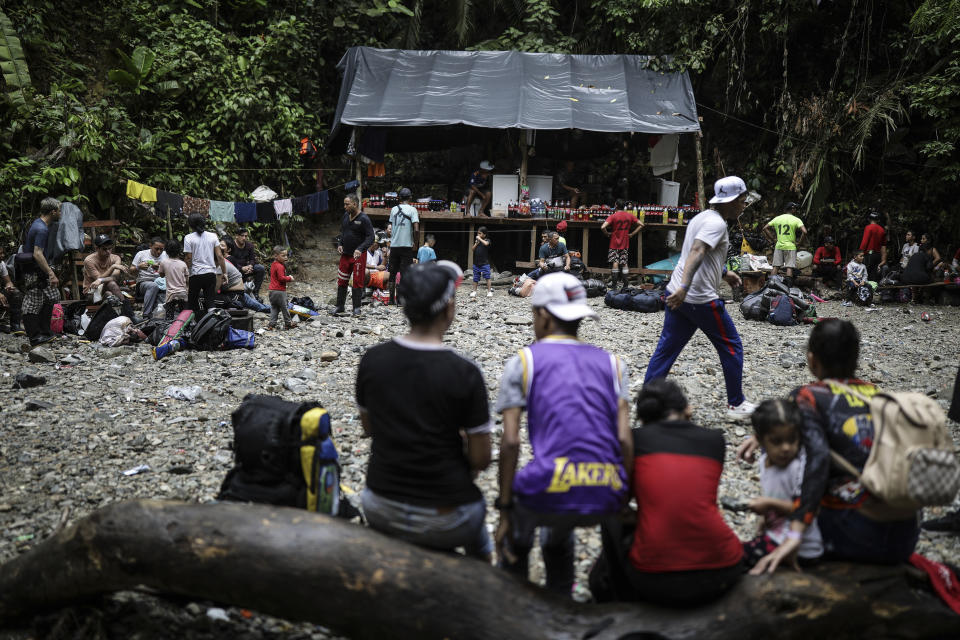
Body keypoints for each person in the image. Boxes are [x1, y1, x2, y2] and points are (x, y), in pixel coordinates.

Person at [737, 320, 920, 573]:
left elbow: (818, 459)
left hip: (856, 535)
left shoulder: (807, 397)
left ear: (812, 360)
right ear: (856, 358)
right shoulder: (878, 395)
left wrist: (796, 534)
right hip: (906, 534)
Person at [495, 273, 632, 596]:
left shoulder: (524, 361)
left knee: (521, 521)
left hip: (552, 486)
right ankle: (562, 595)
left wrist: (503, 508)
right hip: (607, 491)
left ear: (542, 315)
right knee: (558, 530)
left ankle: (514, 597)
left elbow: (511, 442)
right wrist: (623, 496)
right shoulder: (614, 365)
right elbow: (625, 440)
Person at [356, 260, 494, 560]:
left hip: (380, 504)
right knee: (481, 543)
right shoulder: (465, 372)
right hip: (447, 516)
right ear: (448, 309)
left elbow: (369, 428)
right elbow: (482, 459)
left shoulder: (372, 360)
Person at [616, 379, 743, 606]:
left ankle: (617, 593)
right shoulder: (714, 440)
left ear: (644, 418)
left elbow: (623, 499)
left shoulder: (635, 441)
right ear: (687, 409)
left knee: (611, 514)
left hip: (653, 576)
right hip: (722, 568)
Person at [643, 176, 756, 420]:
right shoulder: (717, 225)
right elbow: (697, 250)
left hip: (677, 293)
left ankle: (647, 399)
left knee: (667, 348)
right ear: (731, 200)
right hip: (698, 298)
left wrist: (724, 273)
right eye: (742, 201)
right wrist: (686, 286)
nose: (744, 206)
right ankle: (736, 404)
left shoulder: (702, 217)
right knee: (732, 345)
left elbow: (700, 254)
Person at [741, 399, 823, 570]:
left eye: (792, 440)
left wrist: (769, 504)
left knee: (738, 557)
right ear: (761, 441)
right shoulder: (764, 462)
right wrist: (764, 518)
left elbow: (808, 508)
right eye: (777, 441)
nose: (786, 448)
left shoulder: (797, 469)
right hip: (776, 535)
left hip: (803, 547)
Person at [17, 197, 62, 347]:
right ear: (53, 211)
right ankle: (35, 337)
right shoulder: (41, 229)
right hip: (35, 271)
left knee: (51, 297)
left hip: (38, 269)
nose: (61, 213)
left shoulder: (38, 224)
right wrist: (51, 273)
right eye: (59, 210)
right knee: (32, 302)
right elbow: (37, 253)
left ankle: (44, 331)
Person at [334, 193, 375, 316]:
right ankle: (340, 306)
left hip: (358, 255)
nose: (345, 207)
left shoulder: (364, 218)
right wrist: (340, 244)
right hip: (345, 255)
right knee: (342, 280)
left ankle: (356, 308)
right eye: (344, 204)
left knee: (357, 281)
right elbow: (343, 233)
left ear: (354, 204)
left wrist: (360, 248)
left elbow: (371, 237)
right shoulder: (345, 216)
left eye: (347, 204)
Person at [183, 213, 226, 317]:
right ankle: (213, 322)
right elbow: (220, 256)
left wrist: (185, 272)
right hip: (210, 273)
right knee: (210, 301)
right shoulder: (213, 236)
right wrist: (225, 273)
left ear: (191, 225)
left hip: (196, 274)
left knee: (192, 300)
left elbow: (189, 258)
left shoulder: (188, 238)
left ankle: (193, 324)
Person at [387, 188, 419, 305]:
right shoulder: (413, 210)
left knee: (392, 272)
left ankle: (391, 299)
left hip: (394, 245)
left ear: (399, 198)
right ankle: (400, 300)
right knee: (405, 273)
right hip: (406, 246)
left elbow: (390, 227)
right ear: (410, 197)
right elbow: (416, 229)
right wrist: (416, 243)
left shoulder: (394, 209)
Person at [219, 240, 269, 313]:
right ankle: (273, 307)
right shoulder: (224, 260)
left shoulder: (227, 261)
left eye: (222, 245)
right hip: (238, 286)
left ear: (228, 250)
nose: (220, 247)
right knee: (258, 305)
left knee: (257, 305)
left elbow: (252, 259)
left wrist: (249, 266)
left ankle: (272, 306)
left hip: (236, 291)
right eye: (219, 245)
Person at [600, 206, 643, 290]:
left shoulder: (613, 216)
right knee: (624, 262)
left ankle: (614, 285)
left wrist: (607, 233)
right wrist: (632, 234)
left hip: (614, 243)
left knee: (615, 262)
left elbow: (602, 227)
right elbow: (641, 224)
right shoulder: (629, 215)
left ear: (616, 205)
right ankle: (626, 285)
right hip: (625, 242)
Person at [763, 203, 807, 285]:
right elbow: (804, 231)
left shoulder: (777, 218)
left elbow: (765, 228)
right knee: (789, 267)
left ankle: (770, 285)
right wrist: (799, 243)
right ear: (793, 209)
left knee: (776, 267)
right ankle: (788, 287)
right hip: (790, 246)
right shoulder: (796, 219)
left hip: (779, 245)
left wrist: (773, 239)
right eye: (795, 209)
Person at [130, 237, 167, 319]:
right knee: (153, 286)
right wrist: (138, 267)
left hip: (162, 281)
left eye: (161, 249)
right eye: (156, 249)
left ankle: (165, 315)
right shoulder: (141, 254)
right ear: (150, 246)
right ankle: (146, 315)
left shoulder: (165, 255)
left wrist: (161, 268)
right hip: (144, 282)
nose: (159, 252)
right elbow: (131, 270)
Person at [82, 235, 127, 302]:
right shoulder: (89, 260)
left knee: (110, 290)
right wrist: (112, 267)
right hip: (92, 292)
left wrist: (101, 280)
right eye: (104, 249)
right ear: (97, 248)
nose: (108, 251)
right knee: (110, 291)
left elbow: (114, 277)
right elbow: (98, 278)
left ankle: (125, 307)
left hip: (109, 288)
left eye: (110, 248)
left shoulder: (115, 258)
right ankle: (125, 308)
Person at [229, 228, 266, 300]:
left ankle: (255, 292)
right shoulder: (231, 245)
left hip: (247, 268)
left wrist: (250, 266)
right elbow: (229, 260)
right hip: (235, 269)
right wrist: (241, 268)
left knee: (260, 268)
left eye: (246, 236)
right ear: (237, 236)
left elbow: (252, 259)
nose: (244, 238)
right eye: (242, 236)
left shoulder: (249, 245)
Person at [157, 240, 189, 321]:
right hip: (182, 293)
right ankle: (184, 330)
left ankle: (170, 331)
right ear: (179, 251)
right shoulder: (183, 264)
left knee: (169, 317)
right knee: (183, 316)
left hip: (171, 294)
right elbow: (187, 279)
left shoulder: (163, 262)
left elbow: (161, 275)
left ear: (166, 251)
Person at [267, 246, 294, 330]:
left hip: (272, 290)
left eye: (286, 255)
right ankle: (288, 323)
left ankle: (271, 324)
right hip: (279, 291)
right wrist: (290, 278)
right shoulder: (280, 266)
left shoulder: (273, 264)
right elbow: (281, 278)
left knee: (274, 307)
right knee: (284, 307)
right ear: (276, 256)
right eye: (283, 255)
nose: (286, 257)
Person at [858, 211, 887, 281]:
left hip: (869, 254)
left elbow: (864, 242)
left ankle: (864, 290)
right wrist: (883, 259)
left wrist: (859, 253)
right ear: (878, 220)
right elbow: (883, 246)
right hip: (877, 255)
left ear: (869, 219)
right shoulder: (882, 230)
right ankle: (873, 290)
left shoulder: (868, 228)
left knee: (865, 274)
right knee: (874, 275)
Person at [0, 245, 22, 334]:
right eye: (0, 254)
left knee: (15, 293)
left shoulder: (1, 264)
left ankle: (15, 325)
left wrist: (9, 287)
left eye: (2, 253)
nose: (2, 255)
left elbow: (8, 281)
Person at [470, 227, 492, 298]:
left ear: (484, 235)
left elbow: (486, 244)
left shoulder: (487, 240)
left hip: (485, 263)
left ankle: (489, 291)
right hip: (476, 263)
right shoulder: (477, 241)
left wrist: (480, 239)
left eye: (480, 233)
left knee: (487, 277)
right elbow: (472, 249)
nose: (478, 234)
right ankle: (474, 291)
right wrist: (476, 243)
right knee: (475, 278)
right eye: (478, 233)